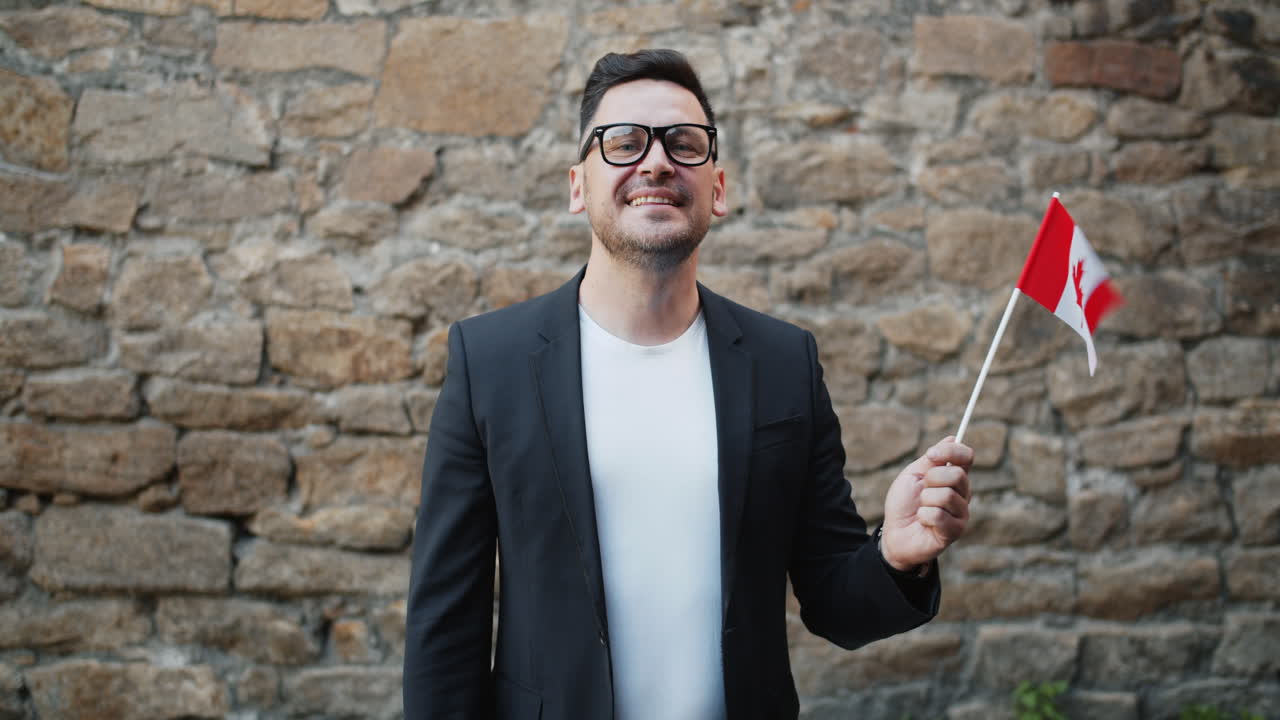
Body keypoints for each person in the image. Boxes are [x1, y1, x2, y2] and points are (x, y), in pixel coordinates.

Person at [403, 49, 973, 720]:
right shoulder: (490, 362)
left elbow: (835, 602)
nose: (655, 162)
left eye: (684, 142)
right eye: (623, 142)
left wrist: (896, 555)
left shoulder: (783, 363)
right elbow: (446, 622)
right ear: (578, 186)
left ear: (718, 188)